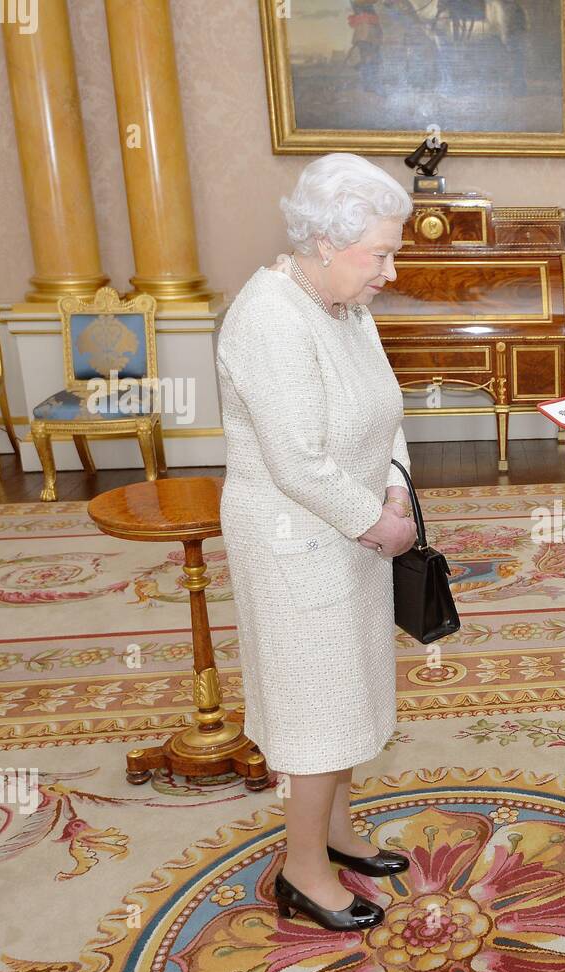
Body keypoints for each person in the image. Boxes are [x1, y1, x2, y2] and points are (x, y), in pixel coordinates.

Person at [216, 153, 418, 931]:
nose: (389, 272)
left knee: (351, 685)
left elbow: (388, 408)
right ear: (328, 243)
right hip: (295, 539)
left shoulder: (345, 305)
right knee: (315, 704)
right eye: (381, 253)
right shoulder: (270, 315)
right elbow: (297, 460)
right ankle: (301, 870)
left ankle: (333, 832)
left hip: (355, 531)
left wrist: (394, 489)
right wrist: (380, 522)